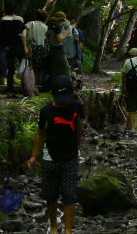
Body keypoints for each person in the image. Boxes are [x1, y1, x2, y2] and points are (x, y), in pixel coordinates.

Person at [27, 76, 84, 234]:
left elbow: (79, 125)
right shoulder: (47, 111)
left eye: (66, 99)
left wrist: (79, 144)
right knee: (50, 194)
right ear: (52, 94)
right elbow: (40, 134)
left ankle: (68, 230)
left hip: (71, 156)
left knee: (69, 193)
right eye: (60, 100)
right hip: (50, 156)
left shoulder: (77, 107)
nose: (64, 103)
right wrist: (33, 156)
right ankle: (53, 225)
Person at [0, 3, 28, 98]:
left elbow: (0, 34)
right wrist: (25, 47)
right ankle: (25, 90)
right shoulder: (20, 19)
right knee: (23, 69)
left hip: (8, 48)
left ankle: (10, 92)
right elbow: (22, 35)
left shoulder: (2, 20)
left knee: (10, 70)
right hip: (19, 47)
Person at [46, 12, 74, 85]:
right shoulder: (57, 28)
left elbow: (46, 37)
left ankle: (54, 84)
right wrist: (65, 34)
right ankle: (69, 84)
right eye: (62, 20)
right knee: (65, 68)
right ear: (59, 20)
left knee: (54, 69)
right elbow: (59, 39)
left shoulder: (49, 26)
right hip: (58, 50)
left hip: (51, 49)